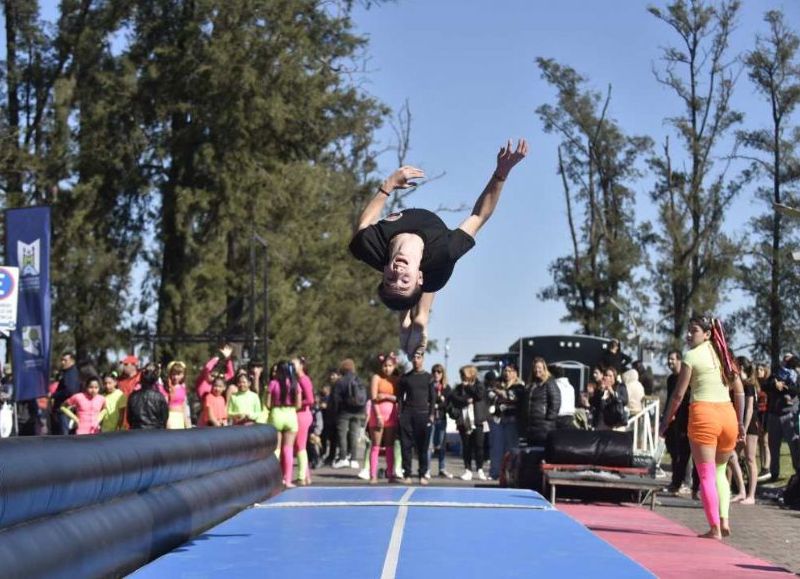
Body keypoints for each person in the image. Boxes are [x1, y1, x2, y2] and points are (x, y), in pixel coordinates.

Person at [349, 140, 529, 357]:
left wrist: (388, 185)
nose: (398, 273)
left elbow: (364, 222)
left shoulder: (371, 247)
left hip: (409, 259)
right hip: (436, 270)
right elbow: (479, 216)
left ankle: (410, 318)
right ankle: (420, 319)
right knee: (417, 305)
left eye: (390, 278)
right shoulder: (446, 251)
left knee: (402, 296)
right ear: (419, 278)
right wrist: (501, 173)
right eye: (404, 280)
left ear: (385, 271)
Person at [660, 315, 745, 540]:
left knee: (706, 474)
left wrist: (666, 421)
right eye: (688, 330)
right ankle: (724, 519)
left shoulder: (691, 356)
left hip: (704, 415)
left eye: (694, 330)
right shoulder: (725, 356)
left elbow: (678, 395)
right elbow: (740, 391)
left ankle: (714, 528)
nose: (688, 334)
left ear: (707, 334)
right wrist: (741, 422)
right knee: (719, 471)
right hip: (727, 415)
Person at [397, 351, 435, 484]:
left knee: (422, 447)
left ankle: (422, 474)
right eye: (414, 357)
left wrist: (431, 415)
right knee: (406, 446)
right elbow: (400, 398)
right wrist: (400, 414)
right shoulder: (405, 378)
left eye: (418, 357)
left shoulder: (429, 377)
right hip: (408, 414)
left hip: (423, 415)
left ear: (423, 359)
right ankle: (407, 474)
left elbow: (433, 398)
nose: (416, 360)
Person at [449, 365, 489, 481]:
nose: (462, 377)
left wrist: (468, 388)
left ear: (471, 374)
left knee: (479, 446)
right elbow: (454, 398)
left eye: (464, 374)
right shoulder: (458, 388)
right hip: (464, 421)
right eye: (461, 375)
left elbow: (479, 395)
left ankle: (480, 469)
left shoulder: (479, 385)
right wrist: (466, 400)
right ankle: (468, 470)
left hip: (478, 420)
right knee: (466, 446)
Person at [267, 361, 302, 488]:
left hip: (276, 414)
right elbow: (299, 404)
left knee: (276, 449)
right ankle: (287, 479)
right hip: (291, 414)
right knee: (288, 449)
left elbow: (268, 404)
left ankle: (274, 478)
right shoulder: (295, 384)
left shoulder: (273, 384)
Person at [367, 353, 400, 484]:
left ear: (394, 366)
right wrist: (378, 415)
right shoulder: (376, 378)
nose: (387, 368)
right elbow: (374, 398)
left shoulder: (396, 379)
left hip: (391, 416)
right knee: (375, 446)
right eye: (385, 366)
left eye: (390, 366)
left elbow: (398, 398)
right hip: (378, 416)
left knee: (390, 446)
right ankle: (373, 475)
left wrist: (387, 396)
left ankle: (391, 474)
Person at [763, 365, 800, 481]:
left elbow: (796, 390)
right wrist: (775, 385)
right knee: (773, 447)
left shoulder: (796, 377)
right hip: (774, 416)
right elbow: (765, 386)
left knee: (794, 447)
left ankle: (798, 473)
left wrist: (784, 387)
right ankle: (774, 473)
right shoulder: (773, 377)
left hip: (789, 416)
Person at [488, 363, 524, 480]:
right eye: (505, 371)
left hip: (512, 421)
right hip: (498, 420)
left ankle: (511, 473)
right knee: (496, 447)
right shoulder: (499, 384)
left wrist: (501, 394)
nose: (507, 373)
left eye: (509, 371)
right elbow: (490, 395)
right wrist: (500, 394)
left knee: (511, 449)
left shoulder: (519, 386)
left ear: (515, 373)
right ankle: (495, 473)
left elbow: (511, 397)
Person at [664, 350, 691, 495]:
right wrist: (666, 417)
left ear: (680, 360)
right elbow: (670, 399)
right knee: (674, 451)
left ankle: (686, 482)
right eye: (668, 359)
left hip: (686, 417)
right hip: (674, 419)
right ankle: (676, 482)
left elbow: (683, 397)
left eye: (672, 359)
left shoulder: (685, 377)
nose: (670, 362)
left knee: (685, 452)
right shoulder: (670, 379)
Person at [332, 359, 367, 469]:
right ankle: (354, 460)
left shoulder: (340, 382)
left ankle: (343, 458)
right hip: (358, 411)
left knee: (342, 436)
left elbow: (335, 399)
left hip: (344, 412)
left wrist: (335, 412)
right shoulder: (359, 380)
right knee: (354, 435)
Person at [522, 357, 560, 444]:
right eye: (535, 367)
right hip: (531, 426)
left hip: (544, 426)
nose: (537, 370)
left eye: (539, 367)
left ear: (544, 368)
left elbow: (556, 401)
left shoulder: (549, 382)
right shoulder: (531, 384)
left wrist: (549, 418)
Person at [739, 359, 760, 505]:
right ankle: (740, 490)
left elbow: (749, 409)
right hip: (742, 426)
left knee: (750, 459)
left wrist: (744, 430)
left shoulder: (749, 386)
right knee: (732, 456)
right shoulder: (741, 386)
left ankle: (751, 495)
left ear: (741, 368)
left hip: (750, 426)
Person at [292, 357, 315, 486]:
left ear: (301, 365)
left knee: (300, 446)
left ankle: (302, 477)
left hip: (302, 415)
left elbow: (310, 400)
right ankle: (306, 476)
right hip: (299, 414)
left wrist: (296, 404)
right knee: (299, 446)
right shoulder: (297, 380)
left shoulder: (303, 380)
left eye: (294, 364)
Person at [428, 363, 453, 479]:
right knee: (429, 445)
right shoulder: (429, 386)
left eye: (439, 372)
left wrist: (439, 404)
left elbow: (448, 403)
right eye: (434, 372)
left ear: (443, 374)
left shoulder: (447, 387)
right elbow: (427, 401)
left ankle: (442, 468)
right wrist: (436, 404)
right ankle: (426, 469)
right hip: (431, 418)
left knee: (442, 444)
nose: (436, 374)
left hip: (442, 418)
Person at [127, 365, 168, 430]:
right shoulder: (160, 397)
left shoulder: (132, 396)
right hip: (155, 433)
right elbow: (164, 418)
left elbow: (129, 418)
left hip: (136, 432)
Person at [52, 352, 81, 435]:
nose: (62, 362)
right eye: (62, 360)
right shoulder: (68, 372)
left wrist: (54, 395)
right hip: (67, 409)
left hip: (65, 409)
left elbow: (70, 390)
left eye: (65, 360)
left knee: (64, 436)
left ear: (72, 361)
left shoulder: (70, 373)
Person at [591, 366, 628, 431]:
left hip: (616, 421)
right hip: (602, 421)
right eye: (606, 375)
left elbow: (625, 400)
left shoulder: (620, 386)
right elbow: (593, 402)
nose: (608, 378)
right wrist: (601, 391)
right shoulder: (600, 387)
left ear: (615, 377)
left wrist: (613, 393)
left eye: (610, 376)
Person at [165, 361, 190, 429]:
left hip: (180, 417)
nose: (175, 377)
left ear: (182, 375)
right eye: (173, 374)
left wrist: (187, 423)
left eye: (178, 374)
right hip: (170, 417)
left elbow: (184, 406)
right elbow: (165, 405)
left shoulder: (183, 388)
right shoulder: (167, 388)